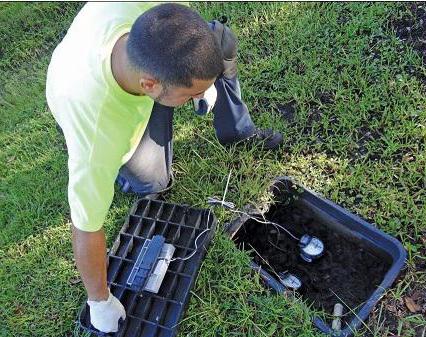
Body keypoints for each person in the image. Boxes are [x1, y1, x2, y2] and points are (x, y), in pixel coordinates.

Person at [46, 2, 282, 333]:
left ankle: (236, 129)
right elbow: (85, 226)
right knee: (153, 182)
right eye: (191, 95)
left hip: (142, 73)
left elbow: (190, 32)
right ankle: (132, 168)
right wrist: (98, 301)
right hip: (86, 89)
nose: (197, 99)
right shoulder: (98, 133)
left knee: (219, 39)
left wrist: (203, 86)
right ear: (150, 86)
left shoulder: (155, 14)